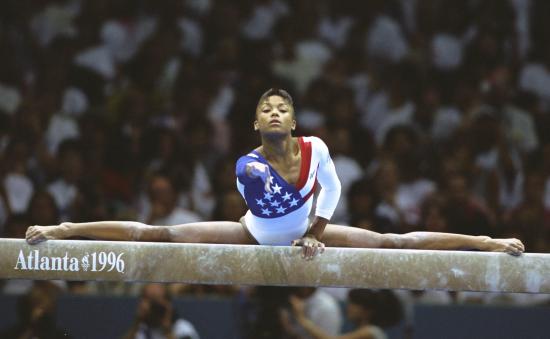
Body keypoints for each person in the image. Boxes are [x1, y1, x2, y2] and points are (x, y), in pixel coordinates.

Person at [25, 88, 525, 259]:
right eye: (266, 108)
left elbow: (332, 189)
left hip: (310, 234)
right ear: (255, 122)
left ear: (293, 118)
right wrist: (299, 236)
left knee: (394, 244)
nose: (274, 112)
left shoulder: (317, 147)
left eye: (282, 107)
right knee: (162, 234)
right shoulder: (247, 165)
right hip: (254, 234)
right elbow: (270, 209)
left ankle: (482, 241)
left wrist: (314, 235)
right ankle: (64, 229)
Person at [289, 289, 403, 339]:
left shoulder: (371, 331)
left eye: (353, 305)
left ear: (366, 310)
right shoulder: (364, 330)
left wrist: (302, 318)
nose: (348, 308)